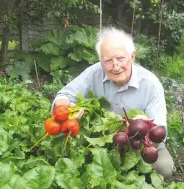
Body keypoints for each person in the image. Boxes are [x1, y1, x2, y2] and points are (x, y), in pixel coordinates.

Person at [52, 27, 175, 180]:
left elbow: (159, 132)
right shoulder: (94, 73)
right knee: (73, 158)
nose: (115, 66)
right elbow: (64, 95)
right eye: (108, 61)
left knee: (164, 168)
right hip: (103, 138)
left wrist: (146, 128)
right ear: (101, 61)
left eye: (120, 58)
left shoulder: (150, 84)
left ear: (132, 57)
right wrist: (65, 108)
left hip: (138, 144)